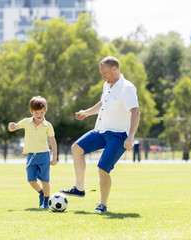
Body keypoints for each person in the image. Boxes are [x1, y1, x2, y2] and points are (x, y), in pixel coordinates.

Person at [60, 56, 140, 213]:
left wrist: (131, 136)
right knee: (77, 148)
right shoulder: (107, 85)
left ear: (114, 69)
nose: (103, 76)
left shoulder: (127, 88)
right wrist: (86, 113)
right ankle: (79, 188)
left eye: (105, 73)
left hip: (118, 135)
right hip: (101, 131)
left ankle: (102, 205)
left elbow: (135, 111)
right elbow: (103, 104)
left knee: (103, 169)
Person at [8, 96, 57, 209]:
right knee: (31, 180)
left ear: (45, 111)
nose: (39, 115)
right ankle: (41, 193)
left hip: (44, 155)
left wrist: (54, 158)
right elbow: (14, 127)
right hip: (31, 156)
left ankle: (46, 201)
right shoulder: (26, 122)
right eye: (36, 112)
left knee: (45, 180)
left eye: (41, 112)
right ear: (31, 111)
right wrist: (11, 126)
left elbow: (53, 142)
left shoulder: (48, 125)